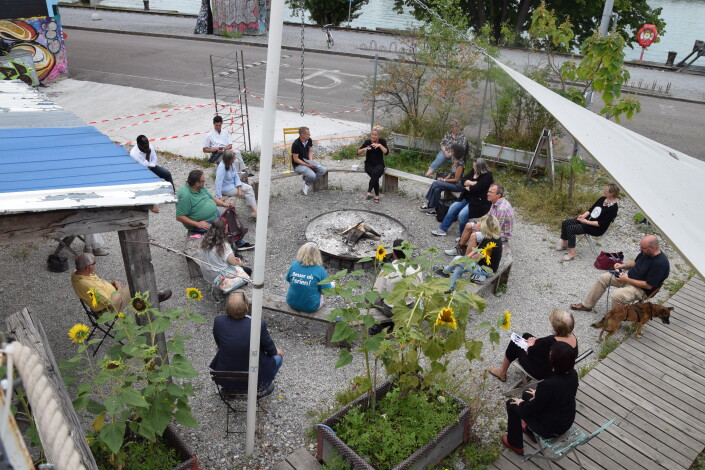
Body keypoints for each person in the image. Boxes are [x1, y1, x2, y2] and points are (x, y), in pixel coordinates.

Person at [502, 341, 579, 455]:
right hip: (566, 420)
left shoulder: (548, 384)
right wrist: (539, 395)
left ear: (554, 362)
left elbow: (529, 409)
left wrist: (520, 403)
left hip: (550, 429)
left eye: (550, 355)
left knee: (512, 403)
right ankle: (531, 432)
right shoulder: (572, 374)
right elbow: (560, 394)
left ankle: (515, 443)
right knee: (527, 393)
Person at [209, 291, 283, 397]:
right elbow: (269, 349)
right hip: (253, 376)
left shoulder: (219, 321)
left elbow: (219, 343)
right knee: (278, 358)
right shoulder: (258, 325)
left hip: (224, 377)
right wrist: (276, 351)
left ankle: (231, 389)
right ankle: (262, 388)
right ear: (246, 307)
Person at [570, 235, 669, 312]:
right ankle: (587, 305)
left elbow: (648, 286)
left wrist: (626, 280)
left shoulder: (660, 264)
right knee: (602, 278)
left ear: (652, 248)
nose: (640, 249)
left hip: (640, 289)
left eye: (642, 248)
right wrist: (622, 266)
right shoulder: (646, 252)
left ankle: (614, 320)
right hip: (627, 277)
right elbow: (635, 262)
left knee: (616, 295)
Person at [487, 309, 577, 383]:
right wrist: (536, 340)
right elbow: (545, 343)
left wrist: (530, 344)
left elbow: (530, 352)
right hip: (557, 369)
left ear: (556, 328)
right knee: (526, 335)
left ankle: (501, 372)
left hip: (544, 373)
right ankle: (503, 369)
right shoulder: (572, 337)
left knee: (516, 341)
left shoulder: (551, 342)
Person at [175, 170, 254, 250]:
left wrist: (225, 204)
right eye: (203, 181)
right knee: (221, 228)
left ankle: (237, 241)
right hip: (201, 222)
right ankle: (230, 249)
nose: (204, 182)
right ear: (197, 183)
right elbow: (180, 217)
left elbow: (212, 198)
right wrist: (197, 224)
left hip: (214, 214)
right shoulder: (184, 195)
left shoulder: (200, 188)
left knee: (230, 218)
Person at [71, 253, 171, 313]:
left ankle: (145, 300)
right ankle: (153, 299)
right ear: (87, 268)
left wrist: (110, 285)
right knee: (136, 283)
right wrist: (119, 289)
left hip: (110, 298)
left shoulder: (78, 274)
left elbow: (97, 292)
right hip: (109, 309)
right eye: (94, 263)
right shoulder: (88, 285)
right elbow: (110, 302)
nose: (95, 264)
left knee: (134, 284)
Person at [369, 239, 424, 335]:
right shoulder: (417, 268)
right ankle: (392, 325)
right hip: (409, 306)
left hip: (391, 309)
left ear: (393, 252)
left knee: (369, 297)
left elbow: (377, 292)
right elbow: (419, 289)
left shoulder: (388, 269)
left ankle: (380, 324)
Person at [435, 214, 503, 291]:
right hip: (485, 265)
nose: (477, 224)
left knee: (458, 259)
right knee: (459, 266)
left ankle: (446, 272)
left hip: (486, 270)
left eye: (479, 223)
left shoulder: (490, 242)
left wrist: (464, 259)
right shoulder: (492, 236)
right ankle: (451, 288)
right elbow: (478, 248)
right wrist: (466, 257)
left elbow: (476, 258)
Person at [444, 183, 514, 256]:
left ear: (498, 195)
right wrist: (479, 223)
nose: (488, 194)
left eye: (491, 192)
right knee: (468, 225)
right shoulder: (495, 202)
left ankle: (466, 260)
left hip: (500, 236)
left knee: (474, 235)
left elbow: (496, 230)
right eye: (488, 191)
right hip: (492, 227)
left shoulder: (501, 208)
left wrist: (480, 228)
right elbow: (488, 216)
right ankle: (459, 250)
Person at [432, 158, 493, 237]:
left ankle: (463, 236)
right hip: (467, 198)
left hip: (479, 202)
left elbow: (476, 189)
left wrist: (469, 185)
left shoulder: (487, 177)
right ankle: (442, 229)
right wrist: (471, 183)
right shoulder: (473, 171)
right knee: (453, 207)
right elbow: (463, 180)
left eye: (475, 167)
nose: (473, 168)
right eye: (473, 167)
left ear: (480, 167)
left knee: (462, 215)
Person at [559, 184, 620, 261]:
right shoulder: (602, 199)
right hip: (587, 220)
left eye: (606, 190)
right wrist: (583, 216)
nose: (604, 191)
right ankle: (564, 244)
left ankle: (572, 253)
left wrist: (586, 222)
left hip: (596, 228)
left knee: (571, 228)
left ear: (612, 193)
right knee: (566, 222)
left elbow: (602, 224)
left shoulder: (613, 208)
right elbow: (591, 209)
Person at [130, 135, 175, 213]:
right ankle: (151, 204)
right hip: (141, 171)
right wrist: (147, 155)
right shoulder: (134, 154)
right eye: (145, 144)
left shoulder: (149, 146)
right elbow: (144, 166)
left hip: (151, 167)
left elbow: (154, 159)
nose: (147, 146)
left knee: (167, 174)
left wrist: (151, 167)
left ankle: (172, 193)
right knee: (149, 183)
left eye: (148, 143)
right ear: (138, 144)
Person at [198, 218, 252, 284]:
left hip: (208, 275)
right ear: (225, 229)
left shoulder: (205, 239)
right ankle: (238, 285)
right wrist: (240, 263)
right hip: (220, 278)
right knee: (248, 270)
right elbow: (235, 263)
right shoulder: (224, 245)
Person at [419, 143, 466, 215]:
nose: (451, 151)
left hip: (457, 185)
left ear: (456, 152)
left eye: (452, 151)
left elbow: (456, 179)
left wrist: (444, 180)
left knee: (435, 183)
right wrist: (443, 178)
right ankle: (434, 208)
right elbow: (451, 173)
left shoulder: (460, 164)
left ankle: (429, 204)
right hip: (452, 183)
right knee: (437, 188)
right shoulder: (455, 160)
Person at [285, 242, 332, 312]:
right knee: (321, 294)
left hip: (291, 302)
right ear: (317, 255)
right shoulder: (320, 270)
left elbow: (288, 280)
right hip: (311, 307)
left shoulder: (294, 265)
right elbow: (325, 291)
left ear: (301, 252)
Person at [215, 150, 258, 219]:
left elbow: (236, 176)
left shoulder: (231, 164)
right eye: (234, 158)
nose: (235, 158)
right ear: (229, 159)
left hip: (233, 184)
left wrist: (239, 188)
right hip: (226, 188)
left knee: (249, 188)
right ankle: (255, 212)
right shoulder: (221, 168)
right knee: (245, 194)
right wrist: (219, 197)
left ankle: (255, 212)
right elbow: (218, 183)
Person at [291, 126, 328, 195]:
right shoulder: (296, 144)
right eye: (308, 134)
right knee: (312, 175)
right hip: (298, 165)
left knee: (323, 170)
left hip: (307, 162)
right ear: (302, 134)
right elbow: (295, 159)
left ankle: (306, 182)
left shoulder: (309, 140)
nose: (309, 135)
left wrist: (311, 161)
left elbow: (310, 151)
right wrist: (308, 165)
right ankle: (307, 182)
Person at [357, 129, 389, 203]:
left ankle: (369, 191)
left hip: (379, 164)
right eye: (372, 134)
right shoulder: (367, 142)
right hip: (369, 164)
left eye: (375, 135)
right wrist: (364, 149)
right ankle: (376, 195)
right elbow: (358, 152)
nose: (373, 136)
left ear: (378, 136)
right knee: (375, 175)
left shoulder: (382, 141)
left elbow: (386, 152)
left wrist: (380, 145)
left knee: (375, 173)